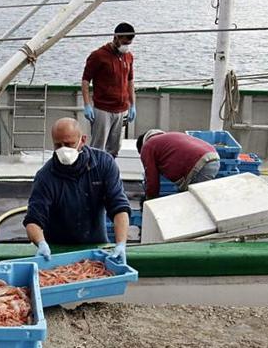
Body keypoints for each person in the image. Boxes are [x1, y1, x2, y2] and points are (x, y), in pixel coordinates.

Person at [23, 118, 131, 263]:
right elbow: (33, 220)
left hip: (96, 247)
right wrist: (41, 243)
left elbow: (119, 207)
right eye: (58, 145)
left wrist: (121, 244)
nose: (64, 150)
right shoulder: (45, 176)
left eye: (69, 144)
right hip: (57, 251)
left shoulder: (104, 164)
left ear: (83, 140)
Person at [81, 22, 136, 157]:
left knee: (115, 148)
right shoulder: (98, 56)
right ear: (116, 37)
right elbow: (85, 80)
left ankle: (108, 173)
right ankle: (94, 174)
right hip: (103, 109)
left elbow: (130, 81)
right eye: (124, 42)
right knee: (98, 148)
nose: (126, 46)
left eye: (128, 43)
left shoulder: (128, 57)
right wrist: (87, 104)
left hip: (121, 109)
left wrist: (132, 104)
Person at [136, 129, 221, 199]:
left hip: (199, 164)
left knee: (188, 202)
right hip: (213, 157)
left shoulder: (148, 146)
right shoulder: (169, 137)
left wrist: (149, 203)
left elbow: (152, 179)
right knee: (193, 199)